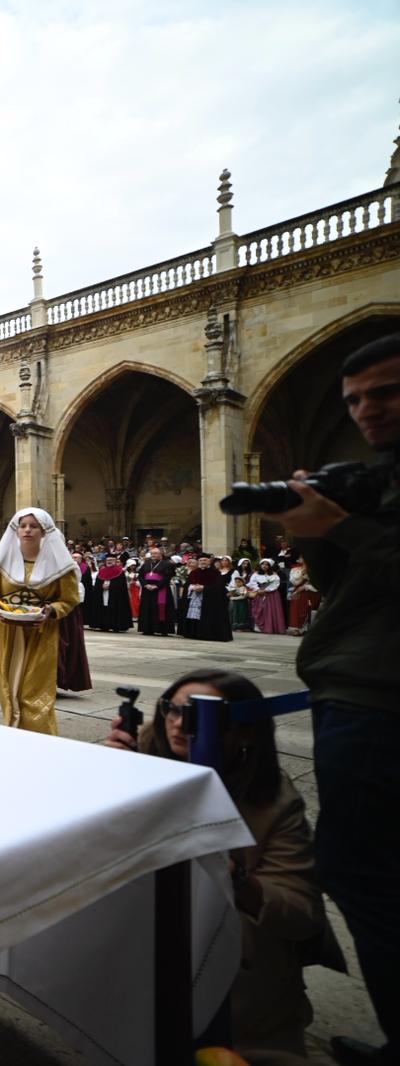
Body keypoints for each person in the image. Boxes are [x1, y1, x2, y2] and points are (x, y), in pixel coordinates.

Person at [263, 332, 400, 1066]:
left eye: (385, 392)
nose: (366, 410)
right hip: (354, 695)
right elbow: (353, 593)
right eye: (353, 400)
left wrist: (344, 526)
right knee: (361, 875)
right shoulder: (377, 482)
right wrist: (316, 536)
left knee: (368, 877)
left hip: (380, 705)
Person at [105, 669, 341, 1064]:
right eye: (172, 710)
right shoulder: (144, 754)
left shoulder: (274, 801)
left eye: (199, 717)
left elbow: (301, 914)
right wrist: (106, 773)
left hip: (234, 967)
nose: (180, 726)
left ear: (246, 732)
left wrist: (237, 877)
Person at [0, 507, 81, 734]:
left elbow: (69, 598)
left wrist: (51, 611)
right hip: (7, 632)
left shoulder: (59, 565)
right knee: (9, 690)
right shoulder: (2, 562)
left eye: (33, 526)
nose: (27, 530)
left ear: (43, 531)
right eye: (23, 525)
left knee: (34, 692)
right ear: (16, 531)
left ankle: (40, 739)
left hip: (42, 632)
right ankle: (13, 732)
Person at [178, 552, 234, 643]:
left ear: (209, 561)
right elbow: (187, 585)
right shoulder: (194, 572)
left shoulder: (215, 573)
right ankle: (193, 633)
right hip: (194, 597)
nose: (202, 562)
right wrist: (192, 587)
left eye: (205, 560)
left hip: (209, 600)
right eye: (200, 560)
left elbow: (218, 587)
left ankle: (206, 634)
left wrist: (204, 588)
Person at [55, 561, 92, 694]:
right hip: (46, 608)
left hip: (64, 611)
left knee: (62, 645)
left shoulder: (68, 564)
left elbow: (74, 587)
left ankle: (57, 680)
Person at [136, 547, 176, 636]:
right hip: (147, 590)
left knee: (160, 609)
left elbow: (167, 577)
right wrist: (145, 585)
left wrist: (157, 586)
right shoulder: (146, 564)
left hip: (161, 589)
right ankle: (147, 629)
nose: (153, 555)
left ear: (160, 554)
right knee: (147, 608)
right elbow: (140, 576)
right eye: (152, 553)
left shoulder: (167, 564)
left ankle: (162, 629)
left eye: (155, 553)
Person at [249, 559, 286, 634]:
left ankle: (270, 627)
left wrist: (266, 590)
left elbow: (275, 584)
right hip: (259, 594)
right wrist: (258, 589)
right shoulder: (256, 574)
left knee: (270, 610)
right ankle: (259, 627)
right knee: (259, 609)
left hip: (271, 595)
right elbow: (252, 582)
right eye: (263, 564)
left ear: (269, 566)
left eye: (266, 564)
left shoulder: (274, 575)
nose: (264, 566)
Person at [286, 558, 319, 635]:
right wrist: (302, 575)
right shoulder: (295, 569)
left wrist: (305, 587)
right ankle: (296, 629)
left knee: (307, 608)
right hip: (298, 591)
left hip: (310, 591)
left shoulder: (314, 569)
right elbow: (294, 582)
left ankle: (306, 628)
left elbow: (317, 583)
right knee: (296, 609)